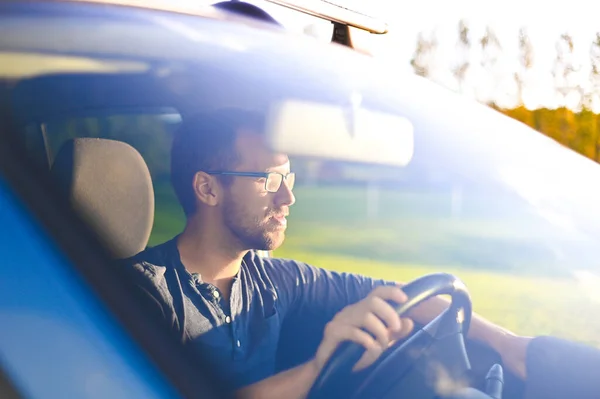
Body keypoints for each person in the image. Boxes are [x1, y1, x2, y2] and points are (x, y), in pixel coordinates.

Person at [122, 109, 533, 398]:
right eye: (269, 180)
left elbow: (400, 294)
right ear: (208, 189)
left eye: (288, 177)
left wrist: (508, 344)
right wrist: (319, 368)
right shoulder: (139, 294)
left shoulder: (273, 280)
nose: (289, 196)